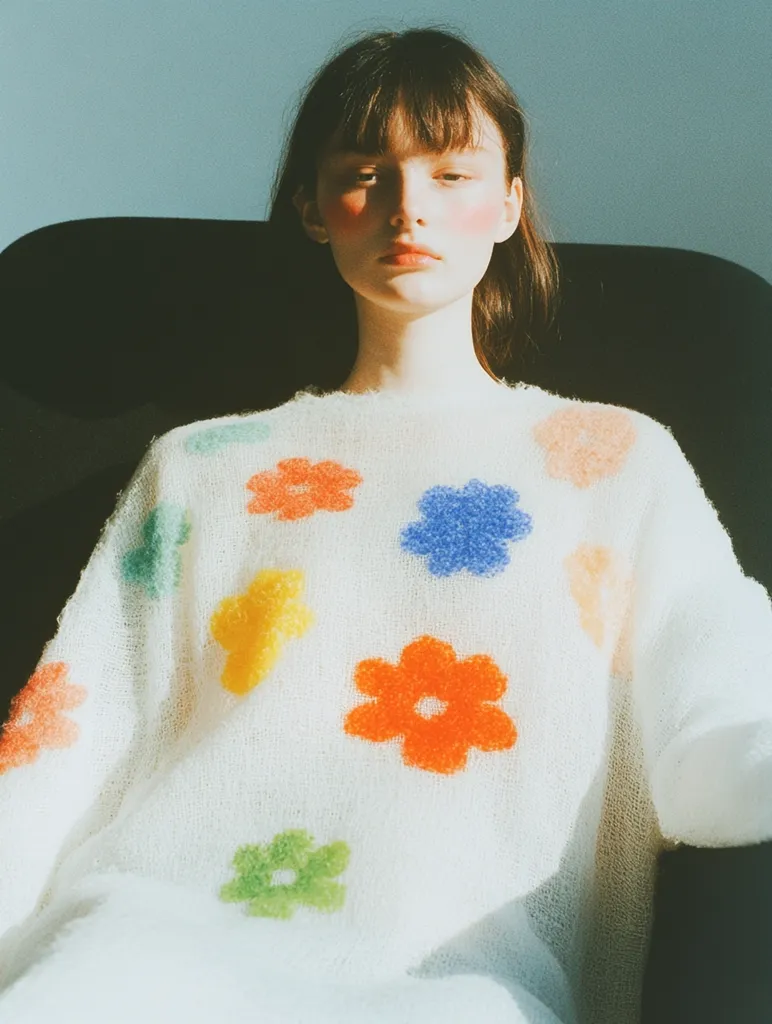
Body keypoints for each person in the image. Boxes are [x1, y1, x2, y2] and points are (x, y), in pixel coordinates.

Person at [1, 23, 772, 1024]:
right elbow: (69, 737)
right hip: (145, 936)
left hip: (455, 968)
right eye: (365, 172)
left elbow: (716, 719)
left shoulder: (611, 460)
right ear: (314, 209)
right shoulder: (201, 467)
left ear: (509, 204)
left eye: (451, 172)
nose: (409, 208)